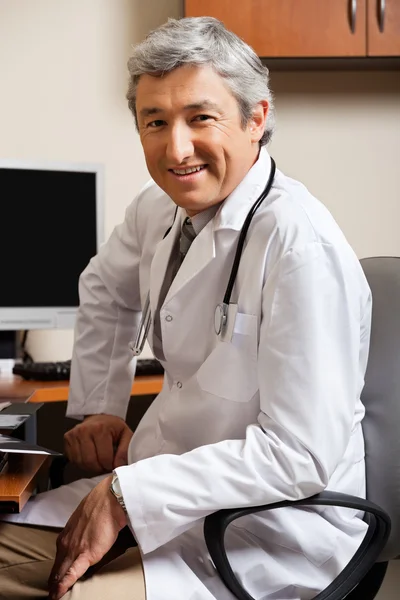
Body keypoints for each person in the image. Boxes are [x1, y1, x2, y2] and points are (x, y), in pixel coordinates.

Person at [0, 16, 372, 600]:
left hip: (265, 530)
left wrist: (128, 493)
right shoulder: (161, 208)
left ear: (257, 119)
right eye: (155, 121)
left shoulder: (301, 247)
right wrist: (100, 406)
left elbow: (299, 455)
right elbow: (104, 287)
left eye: (201, 117)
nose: (176, 148)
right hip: (169, 496)